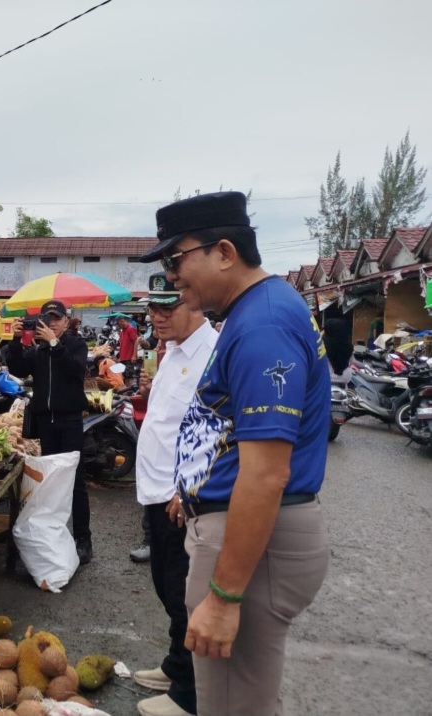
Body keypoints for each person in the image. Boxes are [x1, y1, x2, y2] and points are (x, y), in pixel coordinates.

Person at [138, 191, 330, 716]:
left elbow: (266, 475)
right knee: (244, 694)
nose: (172, 277)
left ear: (224, 252)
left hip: (252, 540)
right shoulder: (257, 311)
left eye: (176, 259)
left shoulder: (263, 325)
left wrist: (224, 597)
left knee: (231, 705)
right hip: (244, 532)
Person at [131, 274, 218, 716]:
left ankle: (191, 693)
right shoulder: (174, 351)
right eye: (153, 308)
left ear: (196, 303)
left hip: (181, 497)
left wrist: (190, 489)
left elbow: (220, 430)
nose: (157, 317)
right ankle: (176, 664)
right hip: (155, 490)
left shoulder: (213, 354)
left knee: (185, 593)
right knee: (167, 587)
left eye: (168, 307)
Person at [5, 300, 93, 563]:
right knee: (51, 481)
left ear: (66, 321)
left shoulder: (75, 344)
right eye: (48, 318)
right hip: (46, 423)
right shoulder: (39, 348)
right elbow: (18, 369)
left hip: (70, 421)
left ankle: (83, 539)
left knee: (75, 481)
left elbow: (76, 371)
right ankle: (54, 536)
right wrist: (17, 341)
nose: (52, 323)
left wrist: (55, 344)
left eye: (56, 318)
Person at [323, 317, 353, 382]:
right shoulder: (347, 344)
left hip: (330, 379)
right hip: (346, 377)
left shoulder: (324, 344)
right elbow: (352, 361)